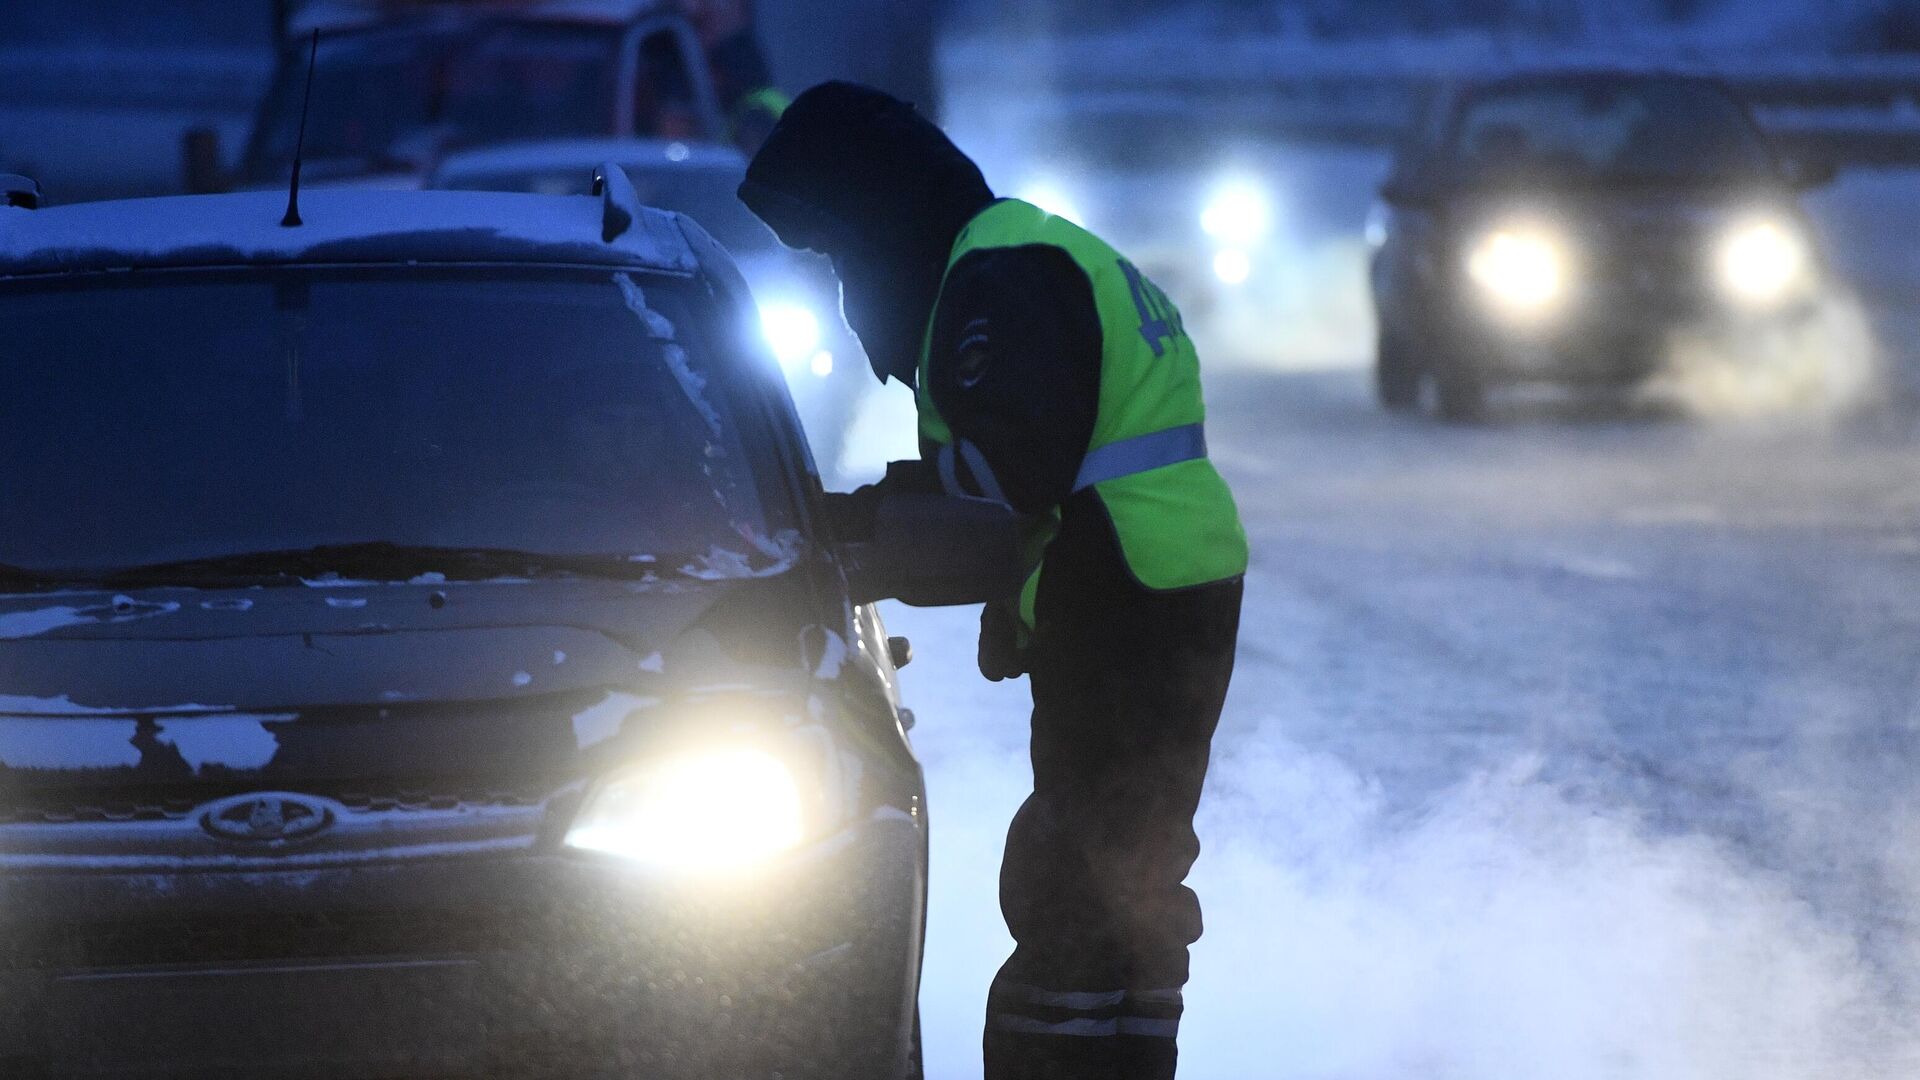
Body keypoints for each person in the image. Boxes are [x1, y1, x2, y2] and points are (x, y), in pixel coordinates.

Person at [738, 83, 1247, 1080]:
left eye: (839, 250)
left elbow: (1002, 475)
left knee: (1072, 881)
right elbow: (1037, 473)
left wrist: (855, 529)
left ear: (878, 215)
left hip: (1127, 588)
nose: (845, 282)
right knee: (1128, 877)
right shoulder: (1023, 250)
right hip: (1159, 582)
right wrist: (1018, 596)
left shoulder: (997, 274)